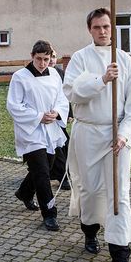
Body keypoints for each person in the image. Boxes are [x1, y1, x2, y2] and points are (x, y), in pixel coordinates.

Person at [63, 8, 131, 262]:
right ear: (90, 29)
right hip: (88, 132)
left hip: (116, 135)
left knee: (119, 193)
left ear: (113, 28)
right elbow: (71, 92)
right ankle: (89, 230)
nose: (103, 31)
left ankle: (120, 255)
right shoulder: (80, 58)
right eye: (97, 27)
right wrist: (102, 79)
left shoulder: (125, 60)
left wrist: (125, 133)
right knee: (91, 189)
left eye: (107, 26)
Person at [7, 40, 68, 231]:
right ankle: (49, 214)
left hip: (51, 129)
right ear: (32, 56)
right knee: (42, 173)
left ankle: (25, 193)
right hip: (31, 131)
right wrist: (38, 117)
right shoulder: (20, 77)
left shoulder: (55, 75)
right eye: (39, 59)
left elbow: (62, 98)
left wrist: (57, 112)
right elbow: (14, 105)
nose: (42, 63)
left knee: (46, 167)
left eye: (46, 59)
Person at [48, 49, 71, 191]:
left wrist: (68, 113)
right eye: (49, 57)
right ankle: (62, 177)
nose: (51, 60)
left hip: (58, 117)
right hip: (45, 118)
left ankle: (64, 175)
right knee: (54, 150)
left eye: (54, 57)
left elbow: (65, 95)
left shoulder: (59, 73)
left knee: (64, 146)